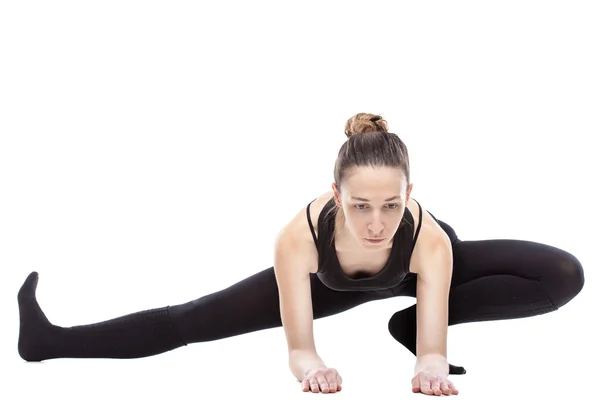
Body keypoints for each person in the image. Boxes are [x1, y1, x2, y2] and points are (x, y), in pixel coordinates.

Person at [17, 113, 585, 396]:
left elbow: (433, 355)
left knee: (562, 273)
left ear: (410, 196)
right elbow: (300, 348)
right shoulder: (299, 239)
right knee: (192, 320)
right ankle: (51, 342)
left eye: (391, 205)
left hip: (415, 278)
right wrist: (312, 368)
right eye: (361, 206)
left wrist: (429, 361)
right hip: (329, 283)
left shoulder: (429, 240)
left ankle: (402, 323)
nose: (377, 223)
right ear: (336, 196)